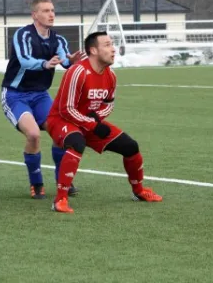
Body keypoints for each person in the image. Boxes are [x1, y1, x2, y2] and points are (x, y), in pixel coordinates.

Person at [46, 31, 163, 214]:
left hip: (88, 122)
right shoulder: (77, 72)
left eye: (112, 44)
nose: (113, 49)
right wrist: (93, 125)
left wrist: (97, 119)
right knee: (77, 143)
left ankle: (139, 191)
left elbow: (109, 104)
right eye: (107, 45)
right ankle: (60, 199)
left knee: (130, 146)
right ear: (93, 50)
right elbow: (66, 109)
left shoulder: (111, 75)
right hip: (61, 120)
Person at [0, 0, 84, 199]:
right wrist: (45, 64)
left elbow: (64, 61)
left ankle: (62, 180)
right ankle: (36, 183)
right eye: (46, 10)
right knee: (34, 135)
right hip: (15, 95)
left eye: (53, 10)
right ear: (34, 15)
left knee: (61, 133)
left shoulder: (58, 40)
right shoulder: (23, 34)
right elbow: (24, 60)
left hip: (40, 95)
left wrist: (71, 63)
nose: (51, 14)